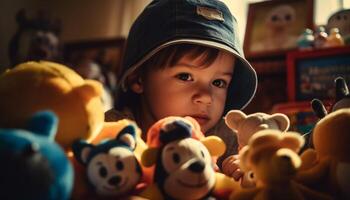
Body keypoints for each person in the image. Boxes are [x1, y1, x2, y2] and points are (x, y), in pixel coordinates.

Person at [105, 0, 257, 170]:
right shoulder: (110, 130)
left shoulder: (229, 138)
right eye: (185, 76)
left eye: (218, 82)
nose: (206, 97)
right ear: (137, 79)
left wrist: (247, 169)